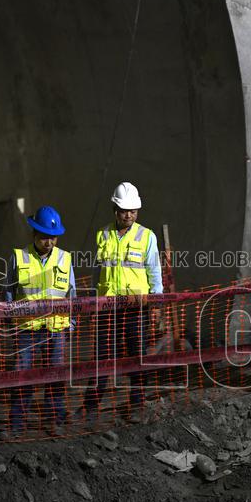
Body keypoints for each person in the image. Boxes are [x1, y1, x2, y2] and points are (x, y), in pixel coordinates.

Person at [83, 181, 162, 424]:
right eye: (125, 210)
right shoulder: (102, 235)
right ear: (115, 209)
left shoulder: (146, 236)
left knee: (136, 356)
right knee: (102, 357)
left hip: (136, 309)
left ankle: (136, 404)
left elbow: (154, 274)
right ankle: (91, 406)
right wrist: (94, 304)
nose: (129, 215)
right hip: (108, 308)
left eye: (133, 211)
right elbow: (99, 273)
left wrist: (156, 305)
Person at [5, 206, 75, 438]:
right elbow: (9, 292)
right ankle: (17, 422)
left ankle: (53, 419)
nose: (49, 242)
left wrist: (71, 321)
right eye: (45, 236)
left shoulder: (65, 259)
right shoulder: (18, 257)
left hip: (56, 328)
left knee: (55, 375)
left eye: (53, 237)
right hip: (26, 328)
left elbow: (71, 293)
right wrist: (9, 321)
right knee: (22, 374)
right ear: (34, 233)